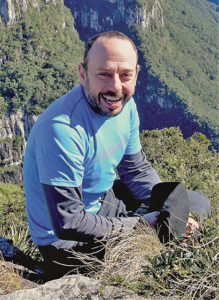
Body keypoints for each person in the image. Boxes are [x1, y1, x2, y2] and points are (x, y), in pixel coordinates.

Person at [23, 31, 211, 280]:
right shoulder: (62, 129)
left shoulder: (126, 108)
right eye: (104, 74)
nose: (115, 87)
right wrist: (143, 225)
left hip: (104, 203)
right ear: (83, 74)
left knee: (196, 204)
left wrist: (170, 209)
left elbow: (136, 170)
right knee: (163, 240)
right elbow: (68, 222)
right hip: (66, 245)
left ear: (136, 74)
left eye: (125, 75)